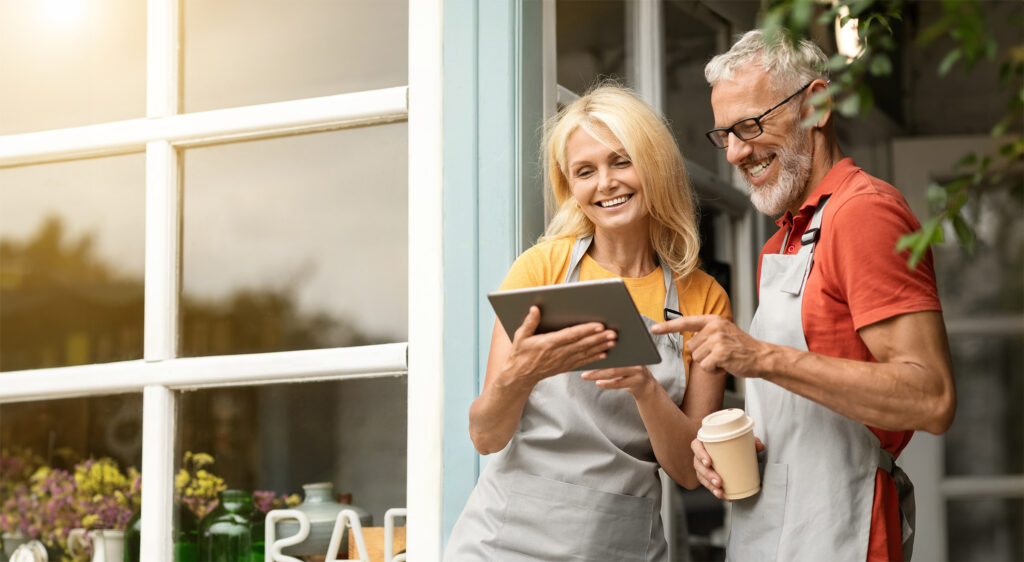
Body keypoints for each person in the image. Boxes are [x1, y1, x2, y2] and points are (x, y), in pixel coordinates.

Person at [651, 30, 956, 562]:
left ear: (816, 105)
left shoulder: (863, 212)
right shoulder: (785, 238)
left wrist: (759, 355)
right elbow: (801, 404)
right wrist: (736, 448)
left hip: (841, 526)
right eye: (724, 134)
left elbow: (930, 398)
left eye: (750, 125)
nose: (737, 152)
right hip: (772, 528)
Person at [443, 85, 732, 561]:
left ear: (654, 164)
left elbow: (687, 470)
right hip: (504, 542)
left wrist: (645, 386)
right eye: (585, 171)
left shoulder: (703, 298)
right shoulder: (542, 270)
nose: (606, 183)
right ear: (571, 187)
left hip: (620, 544)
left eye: (622, 161)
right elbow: (485, 437)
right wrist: (522, 374)